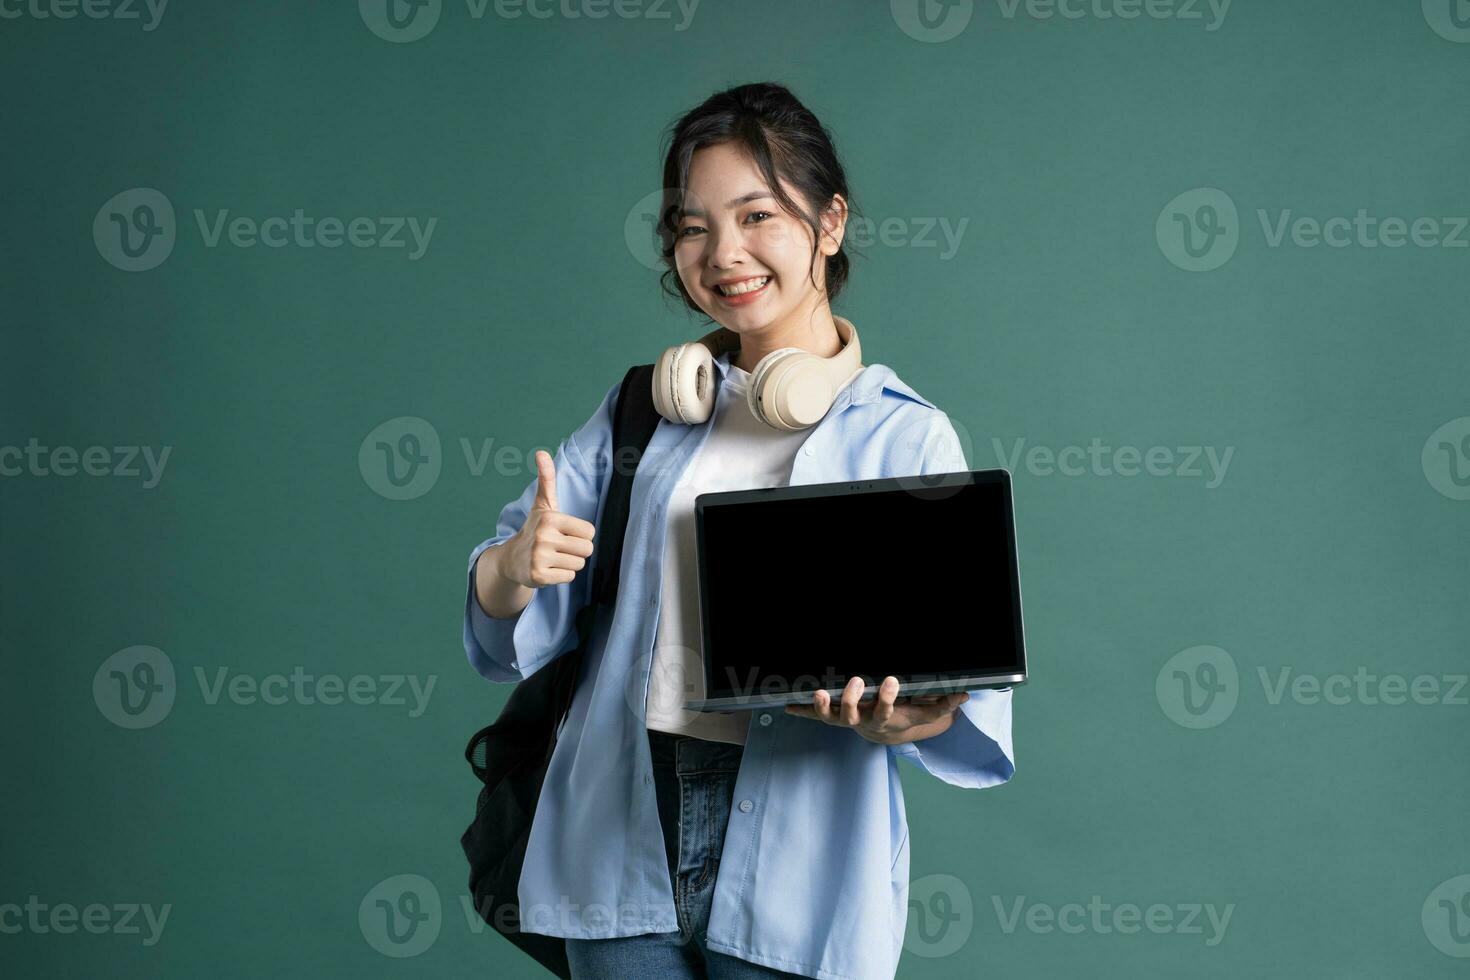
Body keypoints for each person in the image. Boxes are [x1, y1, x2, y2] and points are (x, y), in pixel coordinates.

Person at [464, 82, 1015, 980]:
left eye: (757, 214)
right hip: (617, 826)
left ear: (829, 224)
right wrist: (515, 567)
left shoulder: (904, 433)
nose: (724, 254)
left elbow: (958, 686)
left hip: (803, 859)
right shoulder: (642, 411)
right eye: (692, 226)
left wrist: (906, 717)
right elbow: (501, 612)